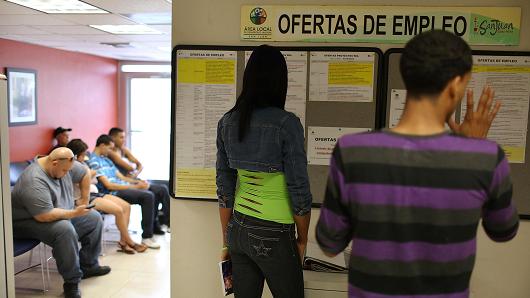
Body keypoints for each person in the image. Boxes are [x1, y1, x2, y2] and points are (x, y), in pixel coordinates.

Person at [316, 30, 519, 298]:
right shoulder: (486, 158)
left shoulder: (352, 151)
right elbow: (503, 230)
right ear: (455, 85)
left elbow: (330, 244)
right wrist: (472, 146)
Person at [217, 45, 312, 298]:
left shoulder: (227, 121)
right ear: (280, 81)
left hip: (238, 228)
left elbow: (225, 188)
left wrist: (227, 240)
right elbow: (299, 189)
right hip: (275, 231)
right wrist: (302, 239)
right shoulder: (286, 123)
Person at [11, 147, 111, 298]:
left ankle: (89, 265)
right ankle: (72, 282)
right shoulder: (33, 179)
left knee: (94, 218)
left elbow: (84, 172)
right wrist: (74, 213)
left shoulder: (66, 163)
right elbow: (44, 216)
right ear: (54, 163)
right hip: (27, 221)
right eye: (64, 171)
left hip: (57, 213)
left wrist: (84, 199)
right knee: (64, 229)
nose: (67, 174)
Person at [67, 139, 147, 254]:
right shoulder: (71, 167)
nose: (85, 157)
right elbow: (88, 178)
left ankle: (123, 242)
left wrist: (89, 175)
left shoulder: (83, 164)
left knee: (126, 206)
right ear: (76, 155)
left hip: (93, 193)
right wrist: (89, 174)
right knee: (118, 210)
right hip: (83, 198)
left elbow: (93, 180)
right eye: (83, 154)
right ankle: (130, 241)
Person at [87, 134, 164, 249]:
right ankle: (147, 237)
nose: (111, 151)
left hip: (123, 186)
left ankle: (152, 228)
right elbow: (109, 185)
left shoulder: (107, 160)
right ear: (102, 145)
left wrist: (135, 182)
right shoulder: (93, 161)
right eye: (109, 148)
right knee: (148, 196)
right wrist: (134, 187)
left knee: (154, 191)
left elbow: (121, 178)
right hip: (113, 191)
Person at [108, 127, 170, 227]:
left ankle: (158, 221)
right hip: (124, 182)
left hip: (132, 179)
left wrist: (135, 173)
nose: (124, 140)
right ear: (112, 138)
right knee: (158, 190)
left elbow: (140, 165)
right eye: (121, 137)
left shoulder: (124, 150)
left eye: (124, 137)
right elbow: (128, 166)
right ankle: (166, 221)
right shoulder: (111, 153)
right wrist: (134, 169)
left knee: (165, 186)